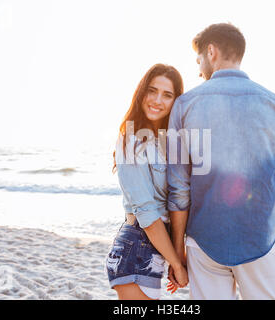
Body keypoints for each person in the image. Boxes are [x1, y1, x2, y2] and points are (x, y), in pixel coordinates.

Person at [166, 23, 275, 300]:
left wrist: (178, 250)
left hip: (203, 240)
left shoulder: (184, 106)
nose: (198, 69)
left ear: (211, 51)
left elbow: (178, 189)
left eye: (198, 60)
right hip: (261, 240)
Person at [106, 63, 188, 300]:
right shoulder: (130, 139)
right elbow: (148, 214)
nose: (157, 100)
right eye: (152, 91)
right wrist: (177, 263)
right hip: (136, 251)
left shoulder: (167, 143)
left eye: (167, 95)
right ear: (141, 93)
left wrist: (175, 257)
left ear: (176, 101)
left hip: (154, 251)